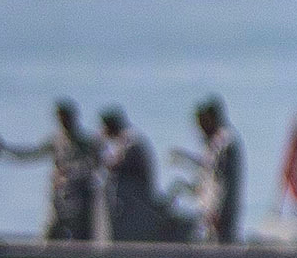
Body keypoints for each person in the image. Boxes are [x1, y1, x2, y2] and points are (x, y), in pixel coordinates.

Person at [93, 107, 185, 242]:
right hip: (130, 205)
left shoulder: (131, 140)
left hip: (136, 204)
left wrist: (98, 149)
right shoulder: (123, 140)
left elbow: (115, 164)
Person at [175, 97, 243, 245]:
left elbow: (223, 181)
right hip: (209, 213)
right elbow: (206, 172)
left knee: (220, 248)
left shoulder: (224, 143)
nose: (201, 130)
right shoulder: (215, 143)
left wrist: (218, 211)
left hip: (219, 214)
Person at [42, 100, 97, 242]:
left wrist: (69, 172)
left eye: (65, 117)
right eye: (60, 118)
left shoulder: (85, 142)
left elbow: (92, 165)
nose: (63, 122)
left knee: (80, 236)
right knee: (50, 234)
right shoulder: (56, 140)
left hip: (79, 197)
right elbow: (31, 154)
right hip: (60, 195)